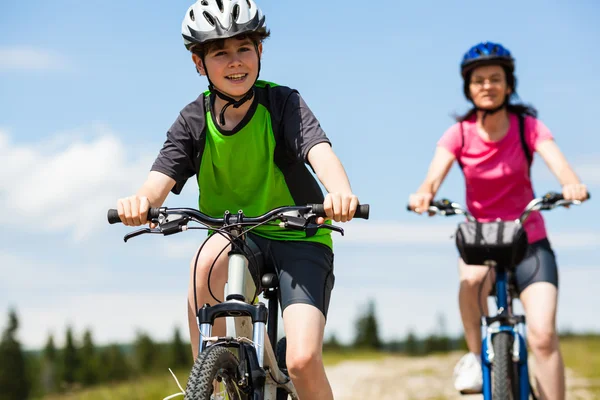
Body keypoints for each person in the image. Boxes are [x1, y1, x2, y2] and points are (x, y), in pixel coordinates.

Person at [115, 1, 361, 399]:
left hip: (300, 233)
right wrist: (140, 202)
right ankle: (207, 383)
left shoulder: (283, 104)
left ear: (260, 52)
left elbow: (321, 152)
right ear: (199, 63)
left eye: (243, 48)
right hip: (233, 235)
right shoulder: (193, 120)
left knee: (300, 361)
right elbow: (158, 181)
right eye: (219, 52)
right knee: (202, 268)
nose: (235, 62)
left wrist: (340, 192)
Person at [408, 42, 588, 399]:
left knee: (543, 336)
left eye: (495, 78)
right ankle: (476, 356)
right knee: (471, 279)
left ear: (509, 85)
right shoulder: (458, 134)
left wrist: (571, 185)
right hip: (482, 241)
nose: (487, 86)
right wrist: (424, 193)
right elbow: (432, 177)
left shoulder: (528, 127)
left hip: (529, 241)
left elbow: (560, 165)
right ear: (468, 88)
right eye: (479, 80)